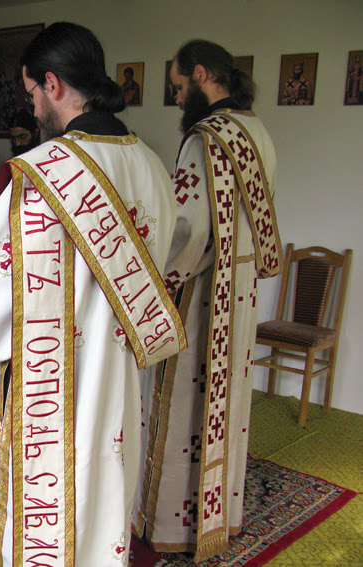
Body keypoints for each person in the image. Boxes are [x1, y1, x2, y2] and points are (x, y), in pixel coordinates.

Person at [0, 22, 186, 566]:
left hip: (49, 377)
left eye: (31, 91)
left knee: (45, 501)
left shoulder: (40, 175)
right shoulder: (151, 164)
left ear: (52, 83)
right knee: (103, 480)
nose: (32, 106)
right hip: (117, 371)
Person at [133, 39, 283, 562]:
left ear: (200, 75)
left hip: (203, 297)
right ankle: (223, 514)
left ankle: (173, 523)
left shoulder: (205, 138)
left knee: (182, 408)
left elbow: (189, 230)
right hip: (239, 293)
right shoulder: (256, 130)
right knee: (229, 404)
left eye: (178, 86)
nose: (176, 98)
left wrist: (152, 274)